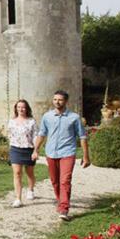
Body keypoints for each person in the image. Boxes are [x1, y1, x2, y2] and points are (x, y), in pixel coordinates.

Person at [32, 90, 90, 221]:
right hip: (51, 152)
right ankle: (60, 199)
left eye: (60, 100)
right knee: (54, 180)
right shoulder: (47, 116)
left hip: (67, 153)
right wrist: (35, 150)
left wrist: (86, 156)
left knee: (65, 180)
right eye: (55, 99)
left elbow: (82, 137)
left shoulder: (74, 118)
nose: (57, 102)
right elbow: (42, 133)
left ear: (66, 102)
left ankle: (64, 208)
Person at [7, 99, 38, 208]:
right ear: (16, 108)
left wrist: (35, 150)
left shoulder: (32, 121)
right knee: (17, 173)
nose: (21, 109)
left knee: (29, 174)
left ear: (27, 109)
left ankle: (31, 190)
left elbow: (35, 136)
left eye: (23, 107)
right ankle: (18, 198)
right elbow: (10, 135)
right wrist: (10, 148)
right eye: (19, 107)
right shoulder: (12, 121)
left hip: (28, 149)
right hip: (15, 149)